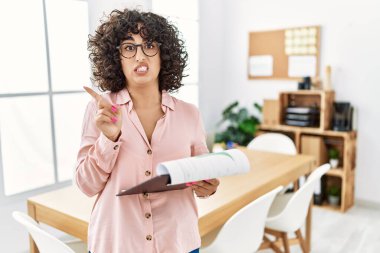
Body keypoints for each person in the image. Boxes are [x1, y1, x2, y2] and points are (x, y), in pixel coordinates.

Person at [75, 8, 220, 253]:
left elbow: (203, 171)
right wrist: (109, 139)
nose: (140, 56)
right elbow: (86, 185)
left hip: (177, 242)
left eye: (149, 45)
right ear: (116, 57)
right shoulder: (100, 110)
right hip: (117, 243)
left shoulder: (189, 114)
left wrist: (209, 186)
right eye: (129, 47)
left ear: (164, 54)